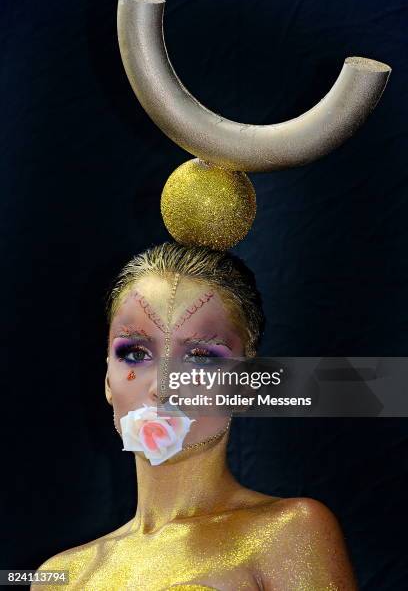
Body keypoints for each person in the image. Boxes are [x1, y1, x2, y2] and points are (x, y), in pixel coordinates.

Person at [32, 241, 358, 590]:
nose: (163, 386)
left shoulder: (289, 532)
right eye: (136, 352)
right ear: (108, 379)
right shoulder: (60, 577)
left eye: (200, 356)